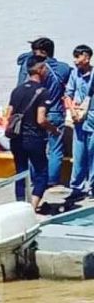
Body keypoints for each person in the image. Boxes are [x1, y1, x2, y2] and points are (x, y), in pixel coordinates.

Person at [7, 59, 58, 209]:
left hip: (16, 138)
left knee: (21, 172)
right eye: (46, 68)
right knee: (42, 173)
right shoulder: (43, 92)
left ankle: (20, 206)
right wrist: (53, 129)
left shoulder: (17, 90)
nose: (47, 71)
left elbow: (9, 114)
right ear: (40, 70)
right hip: (34, 138)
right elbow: (41, 119)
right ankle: (32, 207)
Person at [23, 37, 70, 183]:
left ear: (42, 52)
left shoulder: (31, 67)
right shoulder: (63, 68)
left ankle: (35, 180)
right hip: (56, 112)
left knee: (35, 148)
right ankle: (51, 181)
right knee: (55, 150)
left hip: (35, 113)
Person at [65, 44, 94, 200]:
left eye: (78, 57)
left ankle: (92, 187)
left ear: (87, 57)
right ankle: (76, 186)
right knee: (79, 153)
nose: (75, 61)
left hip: (92, 117)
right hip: (78, 119)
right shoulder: (74, 74)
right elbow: (68, 94)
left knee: (92, 154)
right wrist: (72, 110)